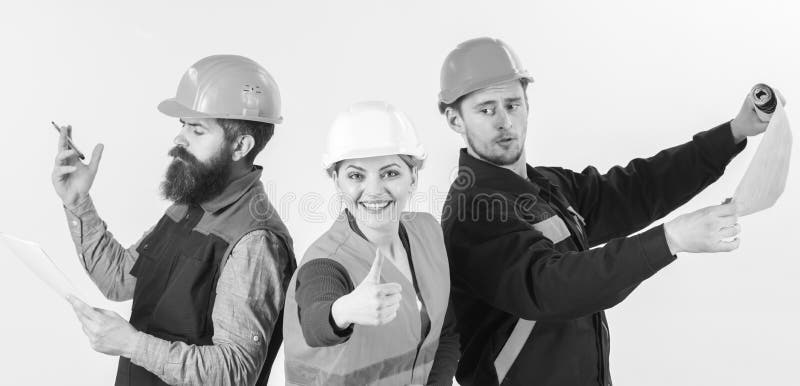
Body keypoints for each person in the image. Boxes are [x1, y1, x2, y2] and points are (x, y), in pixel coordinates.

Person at [437, 37, 770, 385]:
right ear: (455, 119)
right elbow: (549, 287)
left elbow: (635, 189)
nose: (504, 120)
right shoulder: (473, 212)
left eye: (512, 104)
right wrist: (670, 239)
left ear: (527, 104)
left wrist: (734, 133)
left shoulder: (548, 187)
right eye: (486, 109)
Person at [52, 55, 296, 386]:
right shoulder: (187, 206)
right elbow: (120, 279)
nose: (179, 139)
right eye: (182, 125)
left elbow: (234, 372)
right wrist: (78, 201)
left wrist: (131, 344)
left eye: (197, 130)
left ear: (241, 145)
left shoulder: (254, 241)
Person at [282, 101, 459, 385]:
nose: (374, 191)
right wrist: (343, 311)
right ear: (337, 182)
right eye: (356, 175)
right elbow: (316, 320)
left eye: (390, 173)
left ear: (413, 177)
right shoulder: (325, 261)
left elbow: (445, 332)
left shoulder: (427, 233)